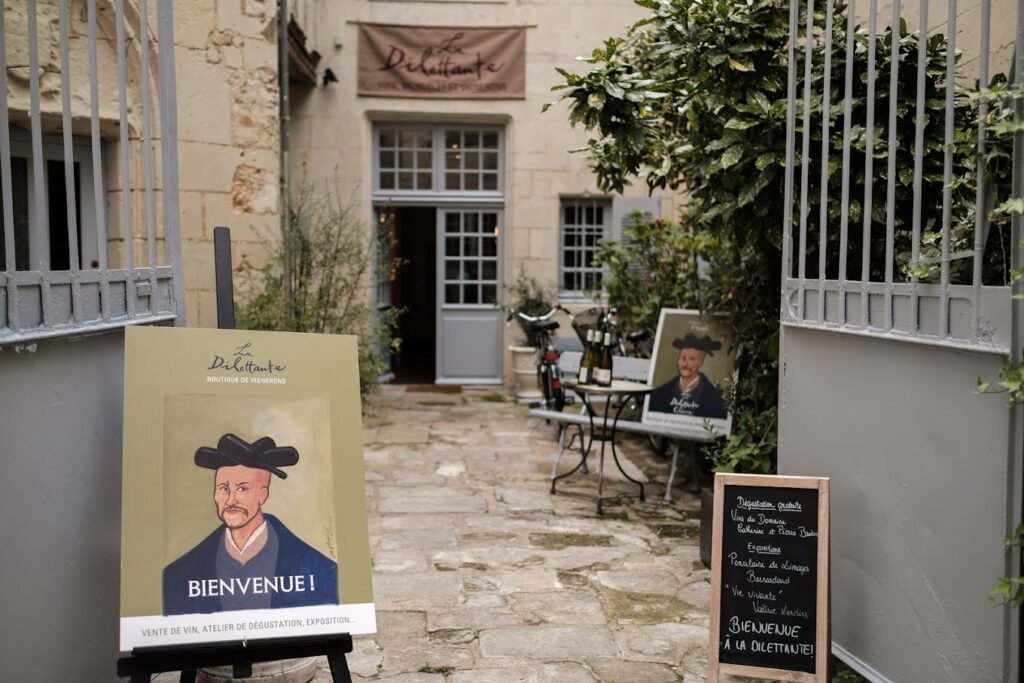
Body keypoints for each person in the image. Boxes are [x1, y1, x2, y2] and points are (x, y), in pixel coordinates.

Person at [162, 433, 338, 616]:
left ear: (263, 494)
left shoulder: (321, 572)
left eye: (242, 489)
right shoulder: (178, 576)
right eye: (223, 488)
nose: (230, 500)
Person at [647, 333, 727, 419]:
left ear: (701, 362)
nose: (685, 364)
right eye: (683, 358)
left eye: (692, 359)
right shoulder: (660, 394)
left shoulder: (715, 400)